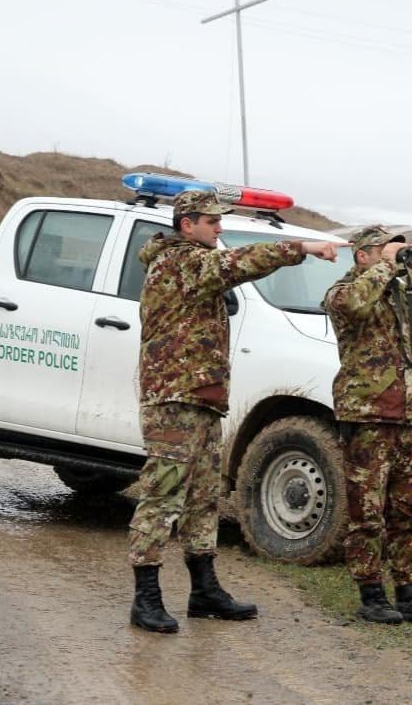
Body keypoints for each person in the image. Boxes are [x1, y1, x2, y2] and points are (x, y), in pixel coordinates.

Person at [128, 188, 341, 633]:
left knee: (204, 497)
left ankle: (204, 590)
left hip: (201, 398)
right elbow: (239, 263)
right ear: (187, 225)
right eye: (213, 222)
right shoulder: (178, 262)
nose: (220, 229)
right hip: (173, 401)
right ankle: (145, 597)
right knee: (162, 495)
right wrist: (299, 247)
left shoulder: (192, 261)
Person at [323, 225, 412, 625]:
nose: (394, 256)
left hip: (405, 415)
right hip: (366, 416)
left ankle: (410, 591)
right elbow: (358, 305)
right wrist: (386, 265)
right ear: (362, 256)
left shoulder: (401, 298)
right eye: (383, 250)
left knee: (409, 511)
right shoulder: (342, 293)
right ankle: (371, 594)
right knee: (367, 513)